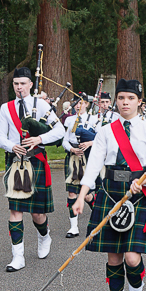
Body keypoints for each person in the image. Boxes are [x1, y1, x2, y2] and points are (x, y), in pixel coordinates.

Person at [73, 79, 146, 291]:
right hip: (111, 194)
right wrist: (81, 196)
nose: (125, 102)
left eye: (130, 98)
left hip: (138, 195)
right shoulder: (106, 131)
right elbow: (93, 166)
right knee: (114, 258)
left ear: (139, 102)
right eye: (121, 98)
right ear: (117, 101)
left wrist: (143, 181)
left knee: (132, 258)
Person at [0, 67, 65, 272]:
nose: (19, 87)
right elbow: (0, 136)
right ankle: (18, 257)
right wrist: (11, 146)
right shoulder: (6, 108)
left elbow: (60, 130)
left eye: (23, 83)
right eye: (16, 84)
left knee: (37, 213)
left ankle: (44, 235)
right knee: (15, 210)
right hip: (16, 162)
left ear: (30, 85)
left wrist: (40, 138)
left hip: (35, 162)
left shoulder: (41, 105)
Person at [61, 95, 94, 237]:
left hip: (87, 156)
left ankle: (98, 216)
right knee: (72, 192)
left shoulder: (93, 119)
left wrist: (89, 143)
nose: (78, 105)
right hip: (72, 156)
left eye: (81, 103)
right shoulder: (69, 120)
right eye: (76, 103)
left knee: (86, 194)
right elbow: (65, 140)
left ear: (86, 104)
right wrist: (71, 149)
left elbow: (101, 137)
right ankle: (73, 227)